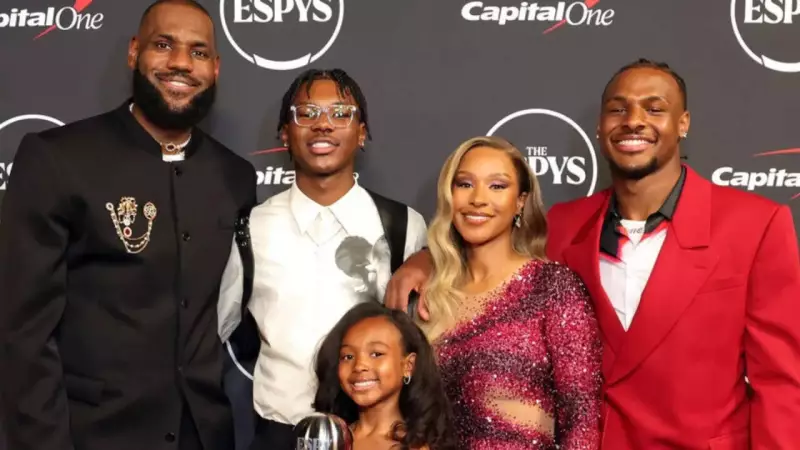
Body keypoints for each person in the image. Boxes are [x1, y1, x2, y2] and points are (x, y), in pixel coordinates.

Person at [385, 60, 800, 448]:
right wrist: (426, 260)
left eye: (654, 109)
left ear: (683, 123)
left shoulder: (755, 225)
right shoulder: (566, 225)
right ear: (600, 129)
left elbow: (781, 381)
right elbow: (489, 244)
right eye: (618, 109)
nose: (634, 120)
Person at [0, 1, 256, 449]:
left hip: (204, 436)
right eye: (164, 45)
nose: (181, 63)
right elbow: (22, 331)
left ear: (215, 68)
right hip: (92, 435)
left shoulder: (235, 176)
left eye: (198, 52)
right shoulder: (58, 158)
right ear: (134, 52)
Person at [216, 68, 428, 450]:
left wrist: (430, 258)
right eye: (307, 113)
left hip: (372, 437)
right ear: (285, 133)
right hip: (277, 434)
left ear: (361, 133)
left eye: (341, 113)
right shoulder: (251, 227)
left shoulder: (403, 226)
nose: (323, 124)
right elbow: (212, 330)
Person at [419, 136, 601, 449]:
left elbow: (581, 417)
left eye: (497, 186)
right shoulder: (431, 296)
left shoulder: (552, 286)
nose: (478, 199)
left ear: (520, 201)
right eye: (465, 184)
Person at [313, 302, 457, 450]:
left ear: (408, 365)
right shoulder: (323, 440)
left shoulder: (418, 447)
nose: (359, 366)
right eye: (348, 356)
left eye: (376, 354)